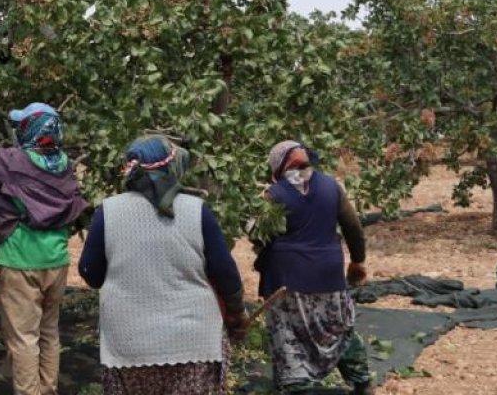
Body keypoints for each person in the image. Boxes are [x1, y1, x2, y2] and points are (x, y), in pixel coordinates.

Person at [77, 134, 247, 394]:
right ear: (172, 167)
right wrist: (236, 313)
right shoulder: (196, 210)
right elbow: (226, 275)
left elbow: (91, 274)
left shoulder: (107, 212)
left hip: (128, 346)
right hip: (192, 343)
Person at [0, 102, 88, 395]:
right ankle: (48, 389)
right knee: (49, 333)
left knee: (23, 338)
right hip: (55, 260)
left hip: (19, 262)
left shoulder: (12, 161)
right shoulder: (65, 165)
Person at [254, 140, 373, 394]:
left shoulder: (273, 195)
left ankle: (298, 386)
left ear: (278, 165)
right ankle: (362, 382)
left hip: (286, 281)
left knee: (288, 334)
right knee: (338, 328)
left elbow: (257, 235)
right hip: (327, 273)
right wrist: (358, 261)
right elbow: (353, 227)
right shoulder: (332, 186)